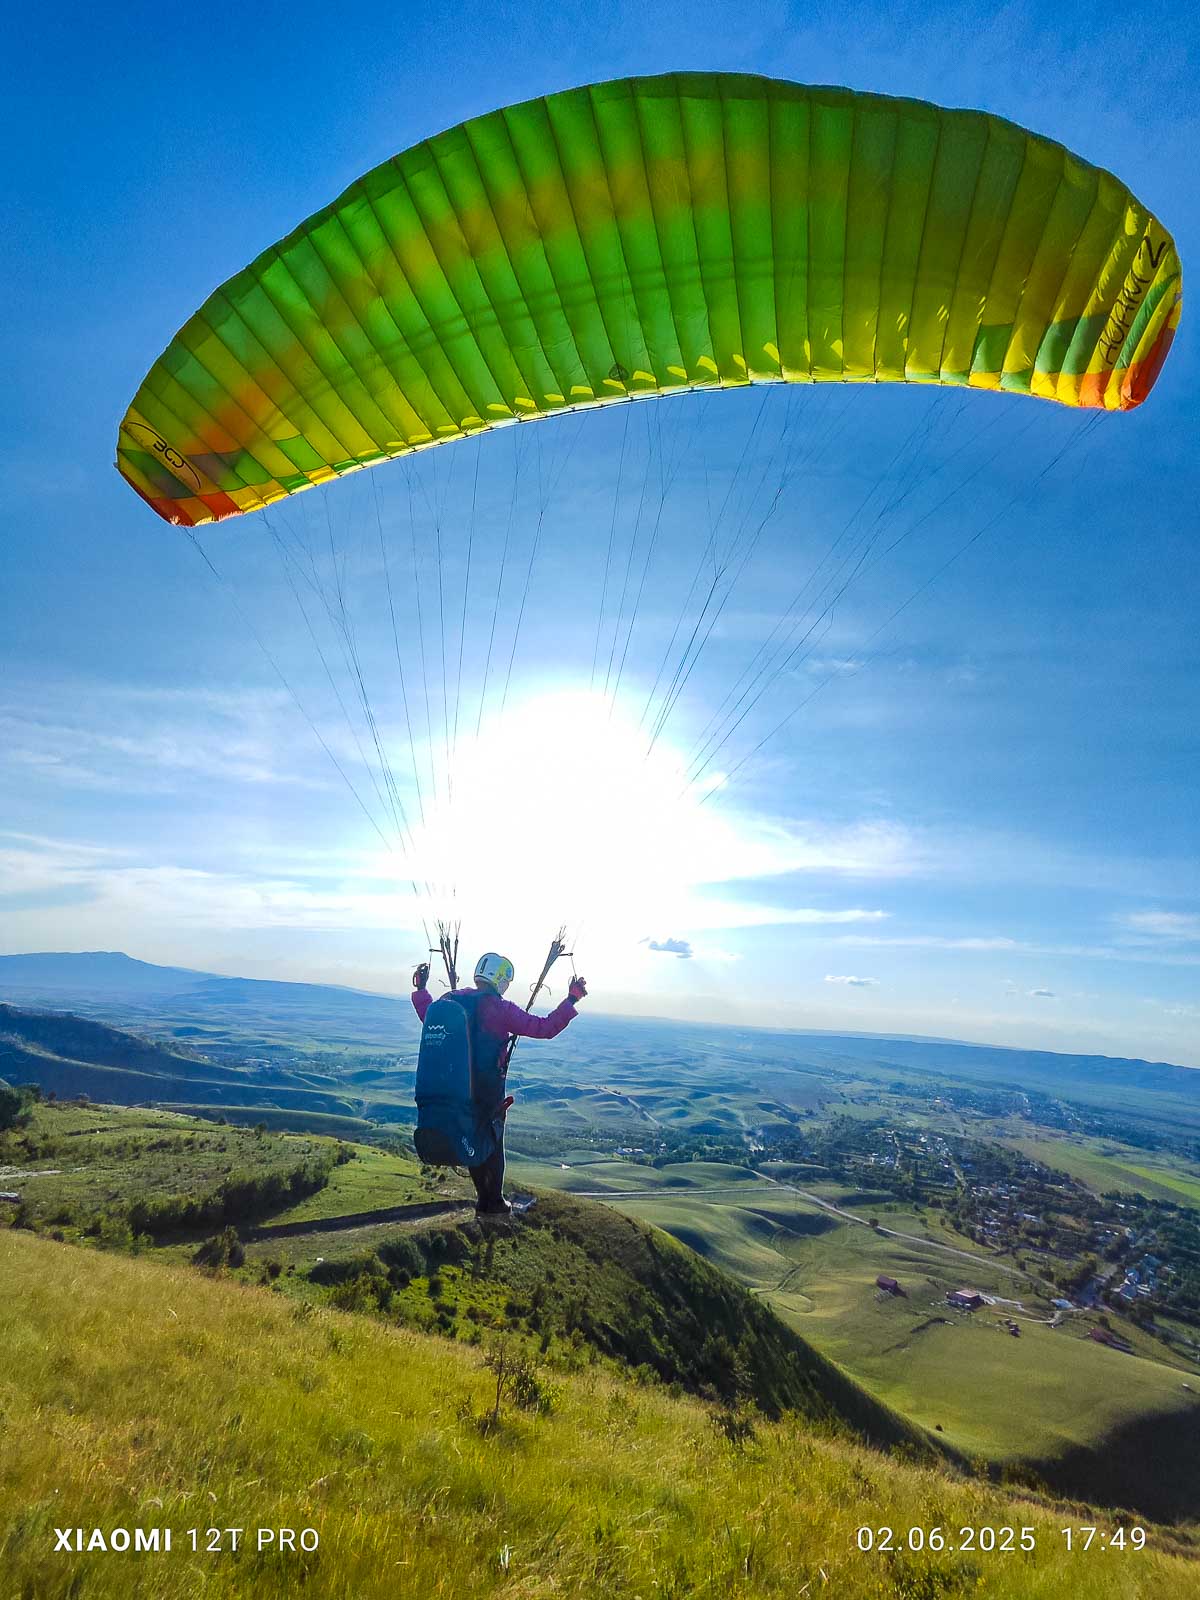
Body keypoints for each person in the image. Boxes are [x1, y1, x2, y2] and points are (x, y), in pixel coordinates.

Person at [412, 951, 587, 1217]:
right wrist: (571, 999)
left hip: (456, 1085)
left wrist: (421, 990)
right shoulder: (500, 1008)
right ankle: (492, 1202)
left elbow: (429, 1016)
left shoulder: (451, 999)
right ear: (501, 979)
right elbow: (544, 1028)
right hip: (487, 1089)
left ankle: (485, 1198)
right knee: (492, 1143)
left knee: (472, 1136)